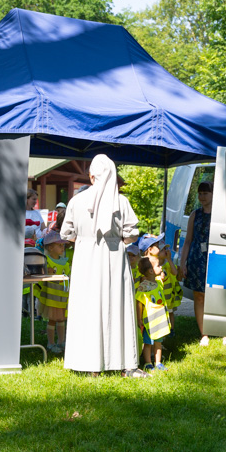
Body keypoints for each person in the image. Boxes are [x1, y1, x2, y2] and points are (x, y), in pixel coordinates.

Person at [60, 154, 146, 377]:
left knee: (88, 306)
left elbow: (66, 233)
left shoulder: (77, 201)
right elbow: (132, 234)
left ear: (91, 176)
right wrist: (114, 241)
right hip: (113, 256)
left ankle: (90, 365)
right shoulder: (121, 202)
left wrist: (86, 241)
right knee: (116, 306)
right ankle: (125, 364)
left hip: (85, 258)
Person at [179, 181, 226, 348]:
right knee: (199, 297)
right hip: (197, 259)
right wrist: (182, 262)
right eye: (200, 193)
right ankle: (204, 334)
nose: (202, 197)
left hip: (218, 258)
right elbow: (188, 241)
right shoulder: (195, 215)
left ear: (214, 194)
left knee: (223, 295)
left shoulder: (222, 214)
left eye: (205, 193)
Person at [37, 230, 71, 355]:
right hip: (51, 298)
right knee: (52, 320)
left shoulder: (65, 263)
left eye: (63, 245)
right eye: (59, 245)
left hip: (62, 297)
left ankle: (62, 341)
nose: (63, 248)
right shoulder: (46, 261)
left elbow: (68, 275)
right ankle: (51, 343)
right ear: (50, 247)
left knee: (61, 319)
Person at [136, 256, 171, 371]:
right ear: (151, 271)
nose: (161, 267)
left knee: (158, 342)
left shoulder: (158, 281)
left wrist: (161, 272)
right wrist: (139, 318)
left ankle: (158, 362)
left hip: (160, 319)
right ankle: (148, 362)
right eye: (158, 266)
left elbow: (164, 274)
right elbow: (139, 302)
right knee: (148, 342)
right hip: (150, 320)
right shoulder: (143, 287)